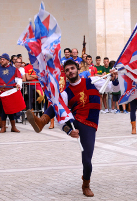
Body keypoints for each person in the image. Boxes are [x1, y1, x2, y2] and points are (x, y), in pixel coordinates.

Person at [26, 59, 119, 197]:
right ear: (66, 74)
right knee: (57, 103)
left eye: (72, 68)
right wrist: (69, 131)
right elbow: (60, 118)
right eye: (67, 70)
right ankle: (42, 121)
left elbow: (114, 89)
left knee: (87, 161)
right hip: (75, 121)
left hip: (89, 125)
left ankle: (86, 184)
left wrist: (115, 79)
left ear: (77, 69)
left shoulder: (92, 81)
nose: (70, 71)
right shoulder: (66, 92)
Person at [0, 53, 22, 133]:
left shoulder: (14, 69)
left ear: (8, 60)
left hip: (11, 92)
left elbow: (19, 79)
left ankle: (13, 127)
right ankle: (3, 126)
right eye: (1, 59)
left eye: (3, 59)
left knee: (11, 110)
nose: (1, 60)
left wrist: (19, 84)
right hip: (2, 92)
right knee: (3, 109)